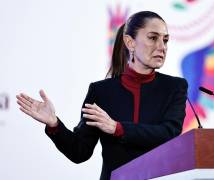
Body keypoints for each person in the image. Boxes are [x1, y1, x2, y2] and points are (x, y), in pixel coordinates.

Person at [16, 11, 188, 180]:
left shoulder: (175, 87)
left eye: (165, 40)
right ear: (130, 42)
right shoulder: (101, 91)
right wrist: (54, 124)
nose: (162, 47)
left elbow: (169, 133)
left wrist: (117, 128)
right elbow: (79, 152)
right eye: (153, 38)